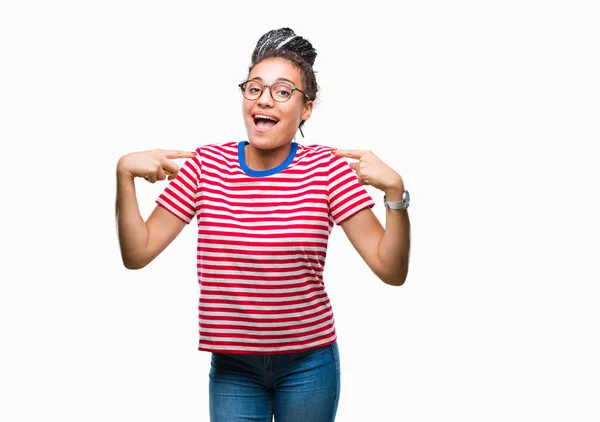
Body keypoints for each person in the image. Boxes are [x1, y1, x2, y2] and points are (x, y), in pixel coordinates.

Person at [115, 27, 410, 422]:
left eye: (283, 91)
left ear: (306, 108)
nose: (264, 99)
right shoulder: (206, 167)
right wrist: (124, 176)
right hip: (234, 368)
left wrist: (395, 193)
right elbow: (137, 253)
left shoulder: (327, 170)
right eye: (254, 88)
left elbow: (390, 269)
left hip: (309, 364)